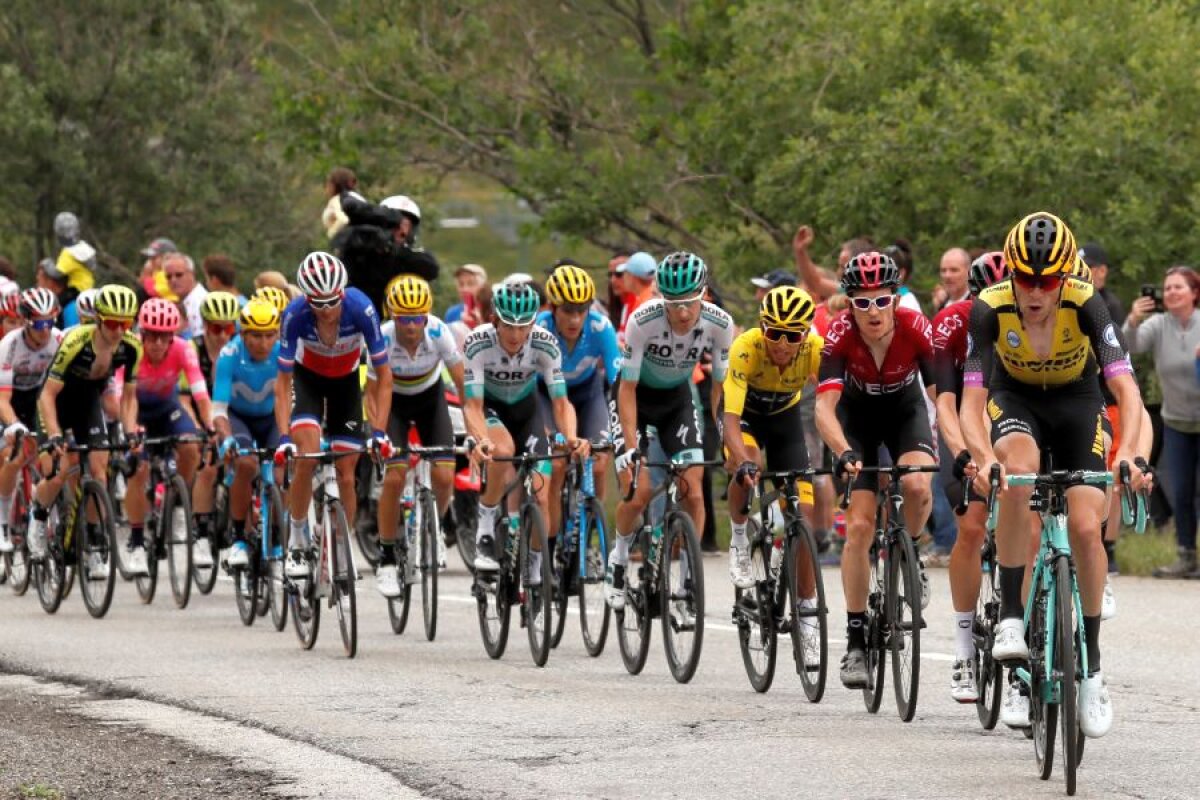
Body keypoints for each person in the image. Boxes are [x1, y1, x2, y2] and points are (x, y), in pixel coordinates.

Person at [961, 212, 1144, 739]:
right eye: (1024, 278)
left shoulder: (1089, 303)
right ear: (1010, 275)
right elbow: (973, 402)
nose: (1034, 291)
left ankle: (1092, 672)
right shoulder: (988, 309)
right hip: (1014, 398)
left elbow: (1126, 391)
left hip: (1077, 400)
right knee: (1018, 471)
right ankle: (1013, 615)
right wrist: (982, 457)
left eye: (1046, 280)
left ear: (1066, 276)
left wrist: (1127, 451)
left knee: (1088, 527)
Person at [814, 251, 938, 690]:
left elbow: (946, 400)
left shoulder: (917, 328)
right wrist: (845, 450)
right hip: (858, 419)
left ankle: (912, 552)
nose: (873, 311)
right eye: (862, 302)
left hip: (906, 411)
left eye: (881, 300)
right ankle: (854, 640)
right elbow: (825, 409)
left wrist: (963, 448)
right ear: (849, 303)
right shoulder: (838, 336)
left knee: (919, 485)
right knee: (861, 526)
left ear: (896, 297)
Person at [605, 252, 733, 617]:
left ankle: (690, 581)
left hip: (677, 398)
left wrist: (724, 436)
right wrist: (630, 448)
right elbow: (626, 390)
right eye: (673, 304)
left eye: (689, 303)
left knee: (694, 484)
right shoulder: (642, 320)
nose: (681, 313)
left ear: (703, 293)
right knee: (639, 489)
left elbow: (719, 390)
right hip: (636, 397)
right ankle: (618, 561)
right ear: (661, 296)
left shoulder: (718, 323)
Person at [273, 252, 393, 579]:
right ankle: (297, 540)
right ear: (306, 298)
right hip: (307, 380)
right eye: (318, 303)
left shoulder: (361, 309)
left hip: (345, 384)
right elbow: (283, 385)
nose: (326, 312)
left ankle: (342, 542)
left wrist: (380, 431)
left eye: (332, 302)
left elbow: (384, 378)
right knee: (307, 456)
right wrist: (284, 437)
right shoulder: (294, 314)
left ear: (342, 293)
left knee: (346, 469)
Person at [723, 287, 822, 666]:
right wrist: (742, 459)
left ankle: (808, 620)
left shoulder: (816, 349)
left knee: (805, 520)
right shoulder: (746, 348)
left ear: (805, 334)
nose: (782, 343)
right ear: (762, 328)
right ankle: (738, 539)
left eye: (792, 335)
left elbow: (834, 401)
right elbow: (730, 418)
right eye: (773, 332)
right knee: (745, 464)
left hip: (784, 420)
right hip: (744, 416)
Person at [462, 282, 587, 573]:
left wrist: (570, 437)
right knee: (501, 449)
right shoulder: (478, 342)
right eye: (508, 326)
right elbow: (472, 405)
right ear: (495, 320)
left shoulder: (544, 342)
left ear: (534, 322)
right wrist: (480, 440)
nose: (516, 335)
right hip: (492, 408)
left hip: (526, 411)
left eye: (523, 326)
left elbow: (560, 402)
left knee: (542, 495)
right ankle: (485, 525)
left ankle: (534, 570)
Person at [930, 250, 1008, 702]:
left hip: (1009, 420)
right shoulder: (952, 320)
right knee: (972, 527)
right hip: (962, 421)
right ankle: (962, 649)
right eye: (984, 299)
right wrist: (963, 454)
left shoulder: (1026, 319)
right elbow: (945, 401)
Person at [28, 286, 141, 572]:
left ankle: (92, 540)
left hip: (88, 401)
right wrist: (54, 434)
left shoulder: (132, 346)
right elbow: (47, 395)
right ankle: (39, 515)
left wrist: (130, 431)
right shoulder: (75, 341)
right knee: (58, 471)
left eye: (125, 324)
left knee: (99, 470)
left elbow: (128, 397)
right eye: (112, 323)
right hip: (56, 399)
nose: (118, 331)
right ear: (99, 319)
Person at [369, 276, 466, 597]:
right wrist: (378, 433)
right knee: (394, 478)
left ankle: (433, 527)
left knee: (444, 473)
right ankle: (385, 558)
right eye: (404, 318)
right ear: (392, 315)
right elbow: (373, 393)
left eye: (417, 317)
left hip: (430, 400)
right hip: (392, 401)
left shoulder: (439, 332)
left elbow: (462, 383)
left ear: (427, 315)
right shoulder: (380, 337)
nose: (412, 325)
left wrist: (479, 424)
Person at [125, 299, 214, 569]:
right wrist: (130, 430)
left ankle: (177, 504)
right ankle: (137, 540)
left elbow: (199, 392)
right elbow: (121, 396)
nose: (158, 344)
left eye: (165, 337)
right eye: (151, 336)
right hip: (135, 410)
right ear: (142, 334)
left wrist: (209, 426)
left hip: (167, 409)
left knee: (190, 447)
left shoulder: (183, 349)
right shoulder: (131, 350)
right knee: (138, 470)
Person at [1123, 266, 1200, 578]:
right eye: (1167, 288)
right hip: (1177, 423)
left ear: (1194, 293)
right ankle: (1186, 556)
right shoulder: (1157, 324)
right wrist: (1132, 320)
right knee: (1181, 491)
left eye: (1178, 287)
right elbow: (1130, 346)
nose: (1170, 293)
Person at [537, 265, 620, 535]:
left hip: (588, 392)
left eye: (581, 311)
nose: (575, 319)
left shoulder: (601, 327)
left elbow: (618, 381)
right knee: (558, 463)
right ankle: (552, 539)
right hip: (546, 396)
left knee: (598, 461)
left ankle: (589, 535)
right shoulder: (540, 329)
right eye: (567, 311)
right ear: (552, 309)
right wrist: (548, 432)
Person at [213, 299, 283, 568]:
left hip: (271, 418)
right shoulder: (229, 355)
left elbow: (292, 401)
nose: (263, 343)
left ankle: (277, 537)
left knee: (281, 470)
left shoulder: (282, 354)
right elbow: (219, 408)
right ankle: (239, 538)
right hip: (238, 417)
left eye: (269, 335)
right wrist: (226, 436)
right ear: (242, 334)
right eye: (255, 335)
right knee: (245, 463)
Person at [0, 289, 63, 553]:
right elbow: (3, 398)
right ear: (26, 321)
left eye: (50, 321)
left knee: (52, 459)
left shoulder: (59, 340)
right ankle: (2, 521)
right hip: (9, 400)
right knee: (13, 456)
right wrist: (13, 424)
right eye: (39, 323)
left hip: (38, 400)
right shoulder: (10, 345)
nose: (45, 329)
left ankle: (46, 509)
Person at [184, 291, 241, 565]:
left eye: (228, 328)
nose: (221, 335)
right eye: (215, 328)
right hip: (195, 408)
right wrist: (201, 427)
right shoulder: (192, 349)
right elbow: (184, 397)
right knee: (207, 466)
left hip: (228, 411)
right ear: (204, 326)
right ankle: (201, 534)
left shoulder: (240, 348)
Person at [334, 193, 439, 313]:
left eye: (406, 224)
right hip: (355, 313)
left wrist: (391, 250)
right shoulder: (360, 243)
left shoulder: (406, 256)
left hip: (394, 320)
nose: (401, 229)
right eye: (397, 223)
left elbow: (432, 269)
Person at [162, 253, 208, 338]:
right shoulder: (185, 301)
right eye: (168, 277)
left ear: (192, 274)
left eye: (179, 275)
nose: (173, 280)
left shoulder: (200, 303)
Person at [614, 251, 657, 341]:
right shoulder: (646, 297)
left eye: (624, 273)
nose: (623, 277)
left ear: (632, 277)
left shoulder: (646, 304)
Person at [1080, 242, 1126, 325]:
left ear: (1102, 271)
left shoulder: (1112, 307)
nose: (1078, 271)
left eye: (1084, 267)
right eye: (1076, 266)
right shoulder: (1070, 300)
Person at [51, 211, 96, 294]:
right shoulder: (84, 247)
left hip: (75, 292)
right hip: (89, 290)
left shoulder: (68, 253)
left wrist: (46, 265)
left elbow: (57, 274)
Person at [322, 167, 362, 239]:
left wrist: (331, 234)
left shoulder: (336, 200)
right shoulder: (356, 197)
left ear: (334, 185)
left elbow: (343, 220)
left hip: (350, 242)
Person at [138, 238, 179, 303]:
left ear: (167, 257)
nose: (150, 261)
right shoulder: (157, 272)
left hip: (173, 306)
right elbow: (141, 283)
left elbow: (152, 292)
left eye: (154, 258)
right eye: (149, 258)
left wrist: (147, 275)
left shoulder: (170, 274)